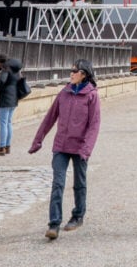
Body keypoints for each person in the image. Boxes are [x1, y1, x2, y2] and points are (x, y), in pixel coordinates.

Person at [28, 58, 101, 241]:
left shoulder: (91, 95)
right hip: (61, 145)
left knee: (79, 183)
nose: (71, 73)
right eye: (71, 70)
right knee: (57, 184)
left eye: (74, 71)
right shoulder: (64, 92)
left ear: (83, 74)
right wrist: (38, 140)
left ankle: (77, 215)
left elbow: (94, 125)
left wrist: (87, 149)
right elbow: (49, 118)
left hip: (80, 146)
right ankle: (54, 223)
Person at [0, 53, 22, 156]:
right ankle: (7, 147)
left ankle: (1, 148)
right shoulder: (15, 69)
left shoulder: (5, 69)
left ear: (0, 62)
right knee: (8, 123)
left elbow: (2, 81)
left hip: (5, 99)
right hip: (14, 98)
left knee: (3, 123)